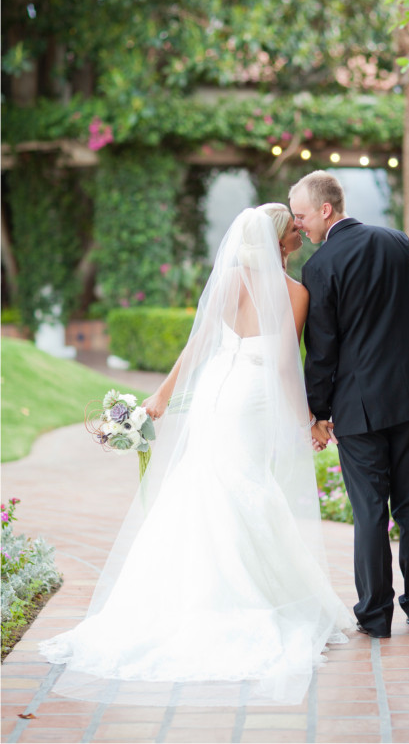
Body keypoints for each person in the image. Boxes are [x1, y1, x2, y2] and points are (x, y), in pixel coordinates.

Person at [39, 204, 352, 707]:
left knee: (208, 479)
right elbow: (284, 367)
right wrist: (307, 422)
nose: (300, 232)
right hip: (249, 396)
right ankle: (242, 600)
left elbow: (198, 342)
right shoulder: (295, 293)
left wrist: (162, 394)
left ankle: (183, 596)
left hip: (214, 394)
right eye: (293, 228)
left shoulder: (230, 281)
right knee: (243, 481)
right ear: (280, 240)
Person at [289, 171, 409, 639]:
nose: (299, 226)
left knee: (370, 513)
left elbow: (322, 351)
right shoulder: (397, 241)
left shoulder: (319, 268)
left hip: (359, 409)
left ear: (325, 209)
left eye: (301, 216)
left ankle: (375, 616)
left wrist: (317, 412)